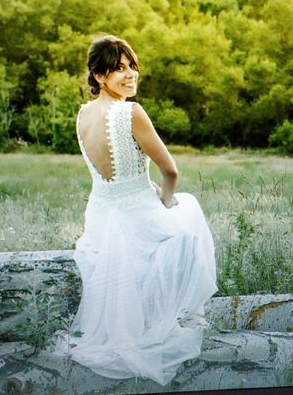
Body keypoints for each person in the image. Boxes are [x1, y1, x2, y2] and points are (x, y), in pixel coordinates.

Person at [50, 34, 218, 386]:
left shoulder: (82, 115)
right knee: (187, 211)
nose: (130, 76)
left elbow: (114, 173)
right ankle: (174, 318)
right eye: (119, 69)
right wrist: (167, 199)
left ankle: (142, 322)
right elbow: (170, 171)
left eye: (132, 67)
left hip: (101, 214)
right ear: (99, 76)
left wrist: (149, 189)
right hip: (137, 213)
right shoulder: (131, 112)